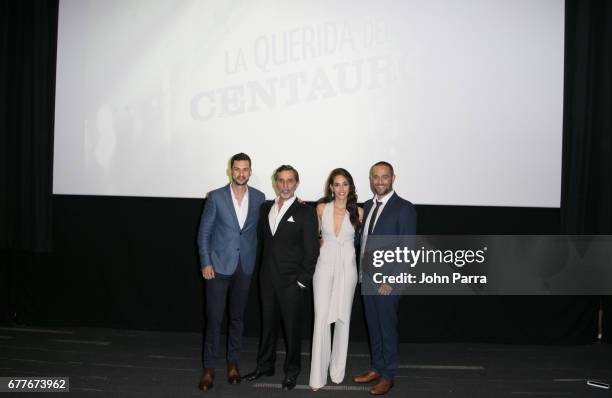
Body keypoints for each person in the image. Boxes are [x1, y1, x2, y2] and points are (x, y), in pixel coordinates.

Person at [244, 165, 320, 390]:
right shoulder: (265, 208)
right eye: (281, 180)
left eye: (290, 181)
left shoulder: (306, 211)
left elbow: (312, 250)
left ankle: (292, 371)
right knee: (267, 326)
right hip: (267, 280)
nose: (285, 185)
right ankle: (265, 365)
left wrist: (302, 281)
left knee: (292, 330)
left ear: (297, 183)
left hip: (291, 283)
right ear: (275, 182)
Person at [196, 153, 266, 391]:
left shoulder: (259, 198)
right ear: (230, 171)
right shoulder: (215, 197)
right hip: (217, 267)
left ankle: (233, 364)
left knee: (237, 319)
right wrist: (206, 263)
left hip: (244, 267)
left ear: (250, 171)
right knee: (214, 319)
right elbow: (203, 233)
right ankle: (208, 368)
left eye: (245, 169)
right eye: (237, 169)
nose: (241, 174)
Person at [353, 161, 417, 395]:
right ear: (371, 179)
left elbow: (407, 248)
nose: (380, 181)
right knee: (374, 327)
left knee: (387, 328)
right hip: (367, 278)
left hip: (387, 283)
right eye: (376, 177)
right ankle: (377, 368)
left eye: (384, 177)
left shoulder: (404, 208)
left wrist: (392, 282)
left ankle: (388, 375)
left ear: (393, 178)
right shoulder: (368, 205)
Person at [309, 168, 363, 390]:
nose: (341, 189)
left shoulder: (359, 211)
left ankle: (337, 371)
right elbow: (312, 236)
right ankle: (317, 377)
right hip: (323, 266)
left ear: (350, 187)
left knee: (343, 319)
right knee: (321, 318)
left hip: (348, 269)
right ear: (331, 187)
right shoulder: (321, 208)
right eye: (337, 184)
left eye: (345, 184)